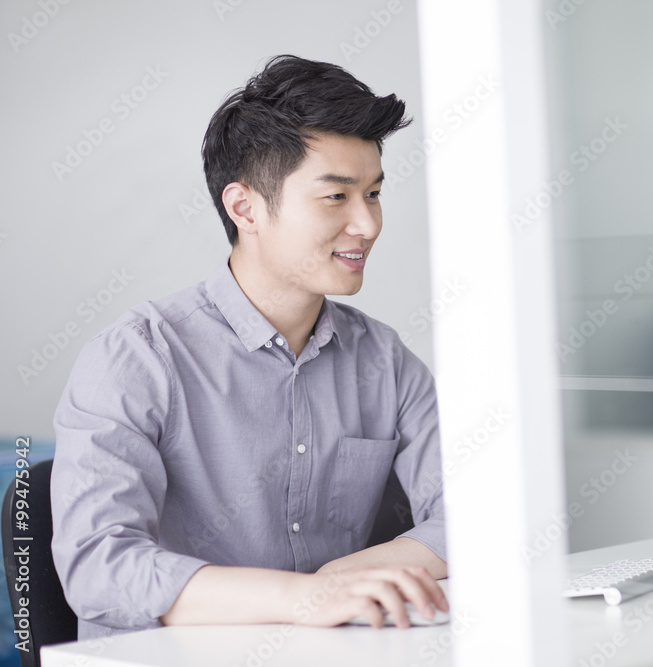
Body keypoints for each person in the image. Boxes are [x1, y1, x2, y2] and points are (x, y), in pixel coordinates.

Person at [50, 54, 448, 640]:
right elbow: (99, 569)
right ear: (245, 208)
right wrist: (304, 598)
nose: (367, 224)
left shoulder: (385, 361)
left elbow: (478, 515)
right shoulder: (134, 359)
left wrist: (342, 579)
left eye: (374, 193)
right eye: (337, 197)